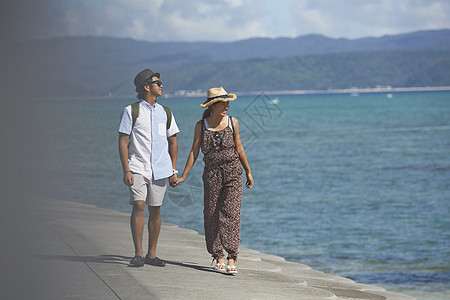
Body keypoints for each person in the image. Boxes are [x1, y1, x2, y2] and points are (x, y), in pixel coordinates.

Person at [175, 87, 253, 274]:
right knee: (212, 214)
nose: (227, 105)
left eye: (228, 102)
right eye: (223, 103)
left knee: (231, 213)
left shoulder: (233, 122)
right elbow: (194, 152)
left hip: (233, 172)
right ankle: (217, 255)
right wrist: (184, 175)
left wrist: (248, 172)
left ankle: (232, 256)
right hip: (211, 174)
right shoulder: (200, 125)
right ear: (213, 105)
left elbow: (240, 148)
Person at [118, 68, 179, 267]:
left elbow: (173, 141)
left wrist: (173, 170)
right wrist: (126, 169)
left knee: (155, 211)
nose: (161, 85)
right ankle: (138, 253)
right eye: (157, 83)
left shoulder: (166, 112)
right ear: (146, 87)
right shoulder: (131, 111)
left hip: (161, 169)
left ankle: (151, 255)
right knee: (139, 205)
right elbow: (123, 140)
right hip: (137, 166)